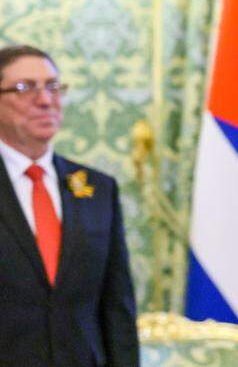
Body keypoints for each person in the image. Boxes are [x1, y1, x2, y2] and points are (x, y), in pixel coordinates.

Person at [0, 44, 138, 367]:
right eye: (24, 89)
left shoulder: (97, 189)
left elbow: (117, 307)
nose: (45, 100)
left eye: (53, 86)